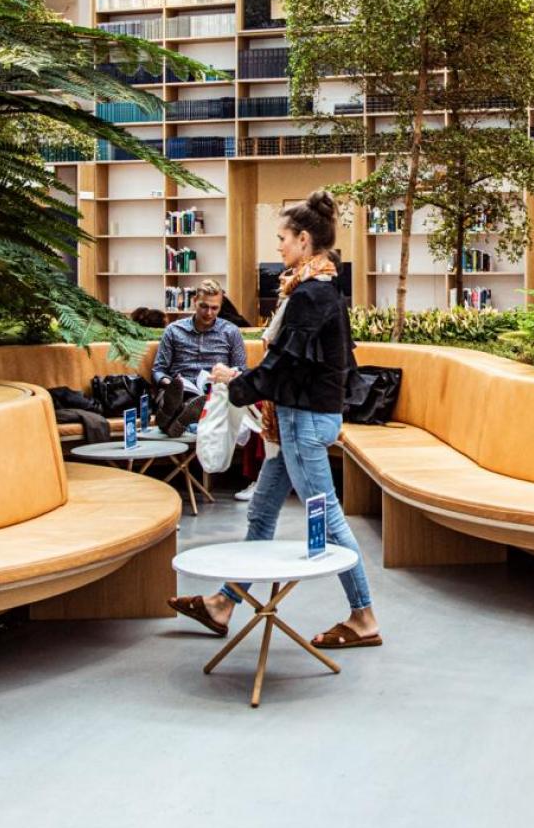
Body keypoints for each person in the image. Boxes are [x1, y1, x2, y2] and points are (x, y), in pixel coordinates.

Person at [168, 191, 382, 649]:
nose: (278, 247)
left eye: (283, 239)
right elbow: (307, 363)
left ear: (305, 241)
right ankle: (223, 605)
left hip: (303, 423)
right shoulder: (315, 288)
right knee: (263, 511)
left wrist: (237, 384)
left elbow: (284, 364)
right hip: (298, 420)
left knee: (327, 520)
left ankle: (364, 616)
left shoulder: (310, 294)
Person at [149, 280, 247, 439]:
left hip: (212, 391)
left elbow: (241, 370)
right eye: (204, 306)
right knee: (171, 394)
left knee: (208, 400)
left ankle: (171, 419)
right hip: (178, 389)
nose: (209, 313)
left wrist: (227, 375)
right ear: (194, 301)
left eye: (215, 308)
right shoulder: (174, 330)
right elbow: (158, 370)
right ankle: (180, 412)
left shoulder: (231, 332)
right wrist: (168, 383)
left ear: (221, 305)